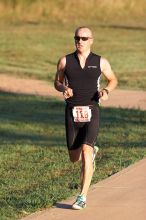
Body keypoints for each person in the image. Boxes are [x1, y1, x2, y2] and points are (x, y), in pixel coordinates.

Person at [54, 26, 118, 210]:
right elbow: (57, 82)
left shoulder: (100, 61)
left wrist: (105, 91)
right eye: (77, 38)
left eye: (84, 38)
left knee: (86, 151)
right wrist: (63, 89)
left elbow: (113, 79)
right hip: (72, 112)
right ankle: (90, 154)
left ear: (91, 40)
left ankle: (82, 197)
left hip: (92, 110)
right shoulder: (65, 61)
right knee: (74, 158)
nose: (79, 41)